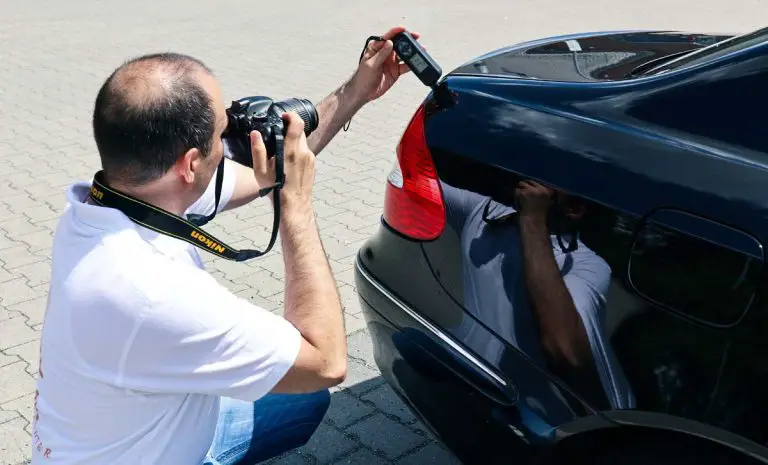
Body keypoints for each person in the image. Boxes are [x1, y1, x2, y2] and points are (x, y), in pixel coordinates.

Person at [31, 26, 418, 465]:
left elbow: (264, 172)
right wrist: (296, 208)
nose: (234, 136)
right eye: (223, 131)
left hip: (114, 429)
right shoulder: (151, 292)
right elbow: (325, 361)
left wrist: (356, 92)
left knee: (300, 401)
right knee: (307, 388)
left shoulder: (101, 204)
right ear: (190, 164)